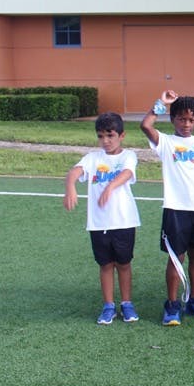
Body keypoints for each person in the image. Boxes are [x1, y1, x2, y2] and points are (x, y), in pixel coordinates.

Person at [141, 90, 194, 326]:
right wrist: (161, 103)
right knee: (176, 257)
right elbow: (146, 126)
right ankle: (172, 305)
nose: (186, 124)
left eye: (191, 120)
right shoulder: (167, 142)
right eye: (181, 119)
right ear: (172, 120)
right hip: (175, 209)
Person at [64, 112, 141, 325]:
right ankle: (108, 305)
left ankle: (126, 303)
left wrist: (110, 186)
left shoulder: (129, 156)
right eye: (101, 136)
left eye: (110, 135)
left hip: (123, 221)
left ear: (121, 135)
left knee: (124, 263)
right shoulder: (92, 158)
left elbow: (126, 173)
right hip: (99, 223)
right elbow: (74, 172)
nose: (105, 141)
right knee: (105, 264)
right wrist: (70, 187)